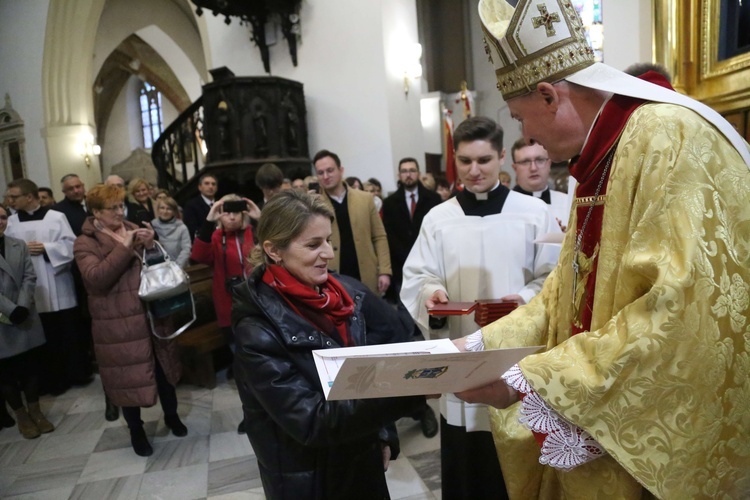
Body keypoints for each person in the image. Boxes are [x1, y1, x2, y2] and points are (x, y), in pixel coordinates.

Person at [450, 1, 750, 498]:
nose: (528, 137)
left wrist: (530, 381)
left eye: (521, 119)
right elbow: (561, 296)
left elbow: (687, 309)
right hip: (598, 428)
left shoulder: (666, 138)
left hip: (648, 446)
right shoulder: (602, 156)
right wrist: (479, 349)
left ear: (549, 95)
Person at [400, 116, 558, 499]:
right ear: (454, 158)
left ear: (503, 157)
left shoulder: (533, 213)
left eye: (484, 160)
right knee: (468, 468)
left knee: (519, 465)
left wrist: (521, 300)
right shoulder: (439, 219)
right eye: (465, 161)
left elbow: (554, 280)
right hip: (463, 354)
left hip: (517, 360)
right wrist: (432, 297)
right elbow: (419, 276)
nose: (474, 170)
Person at [232, 190, 427, 499]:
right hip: (310, 477)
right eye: (313, 245)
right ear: (274, 250)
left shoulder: (346, 293)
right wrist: (408, 389)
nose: (328, 253)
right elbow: (312, 421)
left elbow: (372, 366)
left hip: (362, 456)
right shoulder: (256, 330)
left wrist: (384, 433)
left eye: (327, 240)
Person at [74, 184, 186, 457]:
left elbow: (158, 264)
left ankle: (172, 416)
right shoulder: (85, 242)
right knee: (127, 377)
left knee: (163, 370)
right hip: (118, 322)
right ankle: (136, 430)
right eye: (112, 208)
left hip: (150, 314)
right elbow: (96, 278)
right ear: (96, 212)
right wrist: (124, 248)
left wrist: (150, 244)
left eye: (120, 205)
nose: (118, 211)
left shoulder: (133, 227)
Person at [5, 178, 89, 395]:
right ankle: (48, 381)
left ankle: (73, 374)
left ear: (29, 197)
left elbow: (72, 246)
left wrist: (47, 248)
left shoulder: (56, 216)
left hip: (56, 282)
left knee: (64, 332)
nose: (9, 200)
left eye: (14, 196)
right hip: (27, 287)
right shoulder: (11, 222)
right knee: (39, 338)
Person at [381, 157, 442, 438]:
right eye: (403, 171)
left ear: (418, 173)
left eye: (412, 170)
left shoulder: (432, 199)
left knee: (426, 337)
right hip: (401, 273)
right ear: (399, 174)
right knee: (402, 337)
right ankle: (408, 400)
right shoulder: (390, 203)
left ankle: (427, 396)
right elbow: (387, 237)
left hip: (429, 275)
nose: (408, 174)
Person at [190, 193, 260, 436]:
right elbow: (198, 256)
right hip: (229, 311)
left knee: (262, 366)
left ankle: (270, 410)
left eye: (235, 210)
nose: (231, 215)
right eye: (225, 210)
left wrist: (259, 219)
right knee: (241, 367)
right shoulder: (216, 237)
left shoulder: (254, 234)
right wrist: (209, 220)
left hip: (257, 309)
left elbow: (275, 248)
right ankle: (250, 413)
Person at [0, 204, 54, 439]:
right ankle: (22, 415)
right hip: (3, 318)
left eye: (2, 217)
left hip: (25, 313)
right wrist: (10, 309)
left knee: (31, 367)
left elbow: (29, 276)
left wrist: (22, 305)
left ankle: (36, 411)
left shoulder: (17, 243)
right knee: (7, 371)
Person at [313, 149, 391, 295]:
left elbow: (379, 237)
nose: (326, 176)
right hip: (334, 277)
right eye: (320, 173)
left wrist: (385, 271)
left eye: (330, 170)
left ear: (341, 170)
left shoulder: (365, 198)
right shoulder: (314, 204)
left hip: (365, 273)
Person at [510, 138, 571, 230]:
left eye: (539, 160)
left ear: (549, 164)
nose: (533, 168)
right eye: (525, 162)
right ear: (515, 168)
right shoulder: (505, 205)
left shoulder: (568, 203)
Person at [151, 197, 191, 268]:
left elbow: (186, 249)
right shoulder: (152, 226)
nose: (165, 211)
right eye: (162, 208)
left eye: (169, 209)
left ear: (174, 211)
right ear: (158, 210)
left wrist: (176, 267)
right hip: (160, 269)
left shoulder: (181, 227)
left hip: (179, 268)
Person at [183, 173, 218, 240]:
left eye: (213, 184)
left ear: (216, 188)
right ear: (200, 187)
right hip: (203, 241)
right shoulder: (191, 205)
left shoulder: (221, 203)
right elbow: (192, 228)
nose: (211, 186)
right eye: (207, 183)